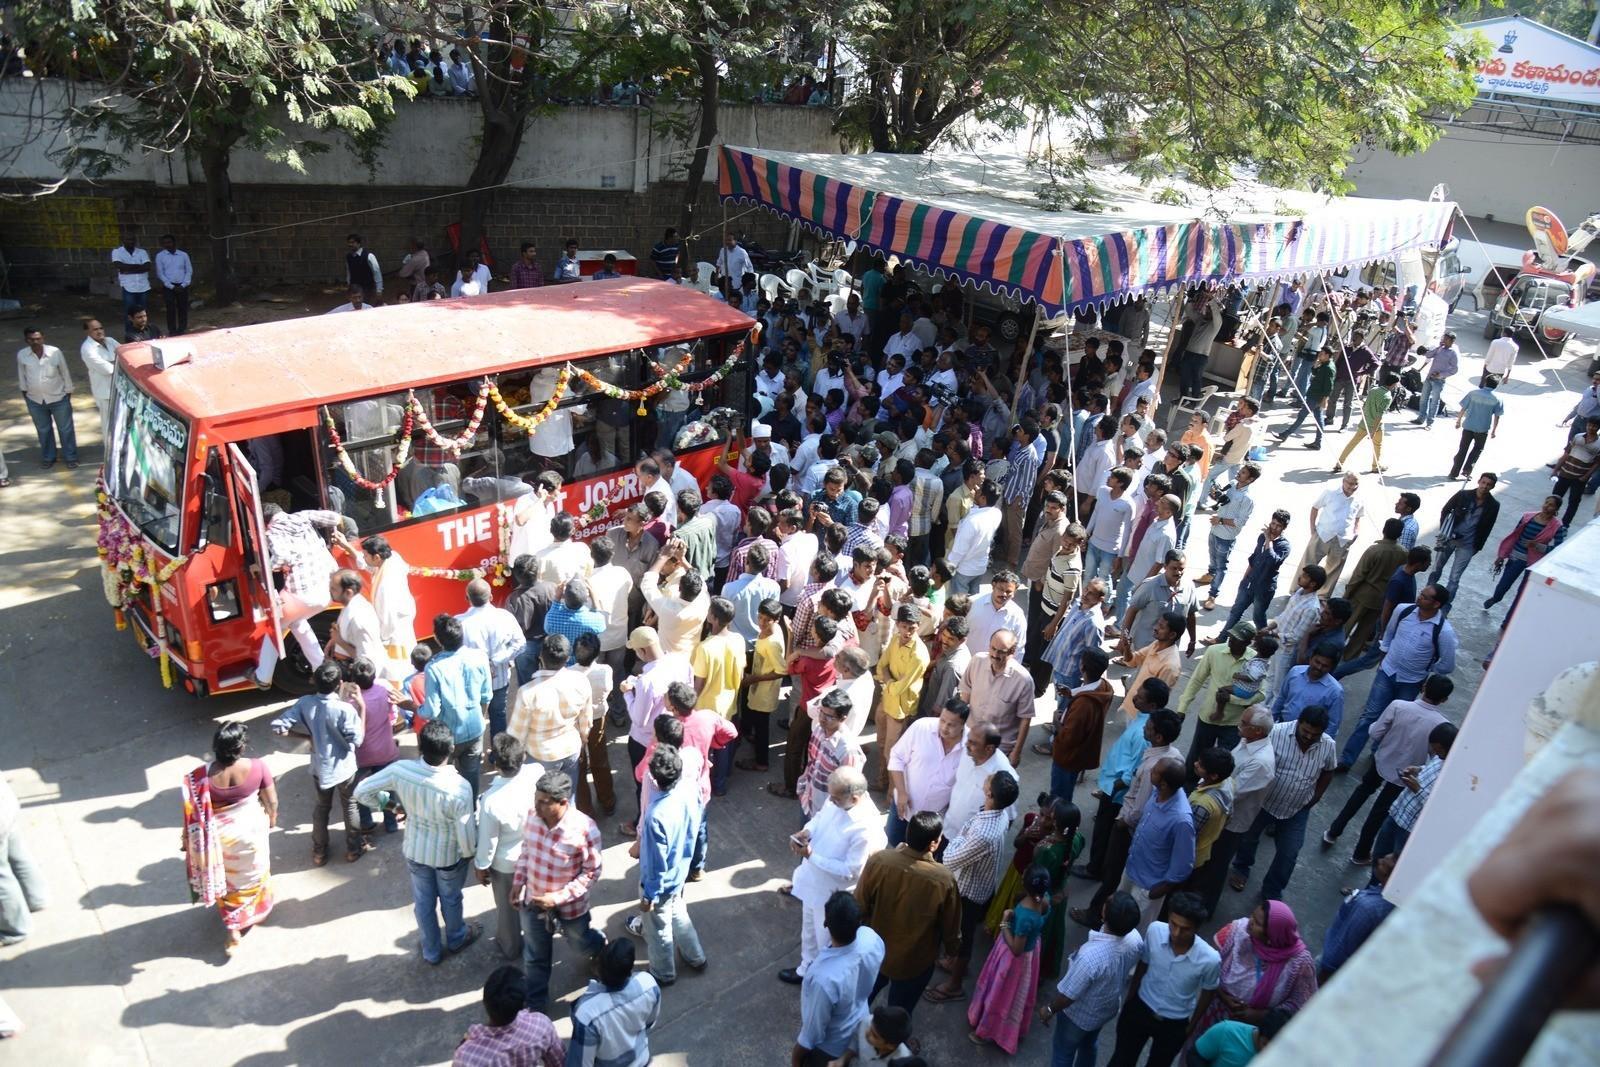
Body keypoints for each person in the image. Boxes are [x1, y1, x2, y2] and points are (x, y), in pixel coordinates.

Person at [353, 720, 480, 964]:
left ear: (420, 747)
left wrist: (392, 805)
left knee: (423, 902)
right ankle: (456, 938)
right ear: (451, 748)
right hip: (448, 858)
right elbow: (465, 835)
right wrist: (470, 854)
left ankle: (431, 951)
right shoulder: (459, 787)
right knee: (451, 899)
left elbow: (361, 792)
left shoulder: (400, 770)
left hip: (415, 850)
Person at [1324, 672, 1451, 862]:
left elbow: (1375, 733)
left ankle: (1334, 831)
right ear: (1444, 699)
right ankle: (1360, 853)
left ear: (1423, 687)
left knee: (1360, 794)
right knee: (1379, 813)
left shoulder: (1398, 706)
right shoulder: (1442, 724)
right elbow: (1434, 757)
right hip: (1405, 775)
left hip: (1382, 760)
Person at [511, 770, 606, 1013]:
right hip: (533, 902)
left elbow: (591, 872)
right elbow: (526, 852)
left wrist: (557, 897)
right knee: (535, 957)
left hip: (570, 907)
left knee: (580, 944)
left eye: (544, 802)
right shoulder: (532, 817)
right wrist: (519, 882)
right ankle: (535, 1008)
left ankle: (600, 948)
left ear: (563, 802)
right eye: (536, 799)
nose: (537, 806)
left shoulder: (585, 829)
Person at [782, 766, 885, 984]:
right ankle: (805, 968)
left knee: (825, 942)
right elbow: (820, 818)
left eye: (835, 798)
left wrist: (811, 855)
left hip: (831, 894)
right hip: (813, 881)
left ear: (855, 798)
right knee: (808, 932)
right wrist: (807, 831)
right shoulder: (838, 799)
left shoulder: (865, 828)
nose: (831, 800)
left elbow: (851, 871)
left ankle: (822, 981)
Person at [1337, 584, 1457, 771]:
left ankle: (1377, 756)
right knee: (1369, 716)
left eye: (1425, 597)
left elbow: (1447, 664)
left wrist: (1425, 669)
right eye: (1421, 594)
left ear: (1436, 604)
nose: (1419, 598)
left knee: (1395, 721)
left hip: (1411, 682)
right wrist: (1385, 656)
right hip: (1387, 672)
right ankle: (1347, 759)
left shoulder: (1444, 632)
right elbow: (1389, 634)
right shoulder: (1403, 610)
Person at [926, 770, 1022, 1003]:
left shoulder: (983, 834)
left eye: (989, 780)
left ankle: (954, 985)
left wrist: (956, 839)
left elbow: (949, 858)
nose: (986, 778)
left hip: (968, 891)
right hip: (976, 883)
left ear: (989, 793)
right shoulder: (997, 814)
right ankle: (952, 961)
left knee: (963, 937)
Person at [181, 723, 276, 953]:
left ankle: (233, 927)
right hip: (252, 832)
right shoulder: (258, 767)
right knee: (254, 874)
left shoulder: (199, 778)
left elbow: (192, 814)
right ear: (241, 746)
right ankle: (254, 913)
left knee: (229, 883)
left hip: (220, 841)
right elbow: (272, 801)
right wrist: (272, 819)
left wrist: (186, 839)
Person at [1228, 710, 1336, 901]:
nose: (1309, 737)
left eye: (1315, 734)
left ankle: (1271, 891)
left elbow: (1328, 771)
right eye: (1305, 731)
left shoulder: (1328, 745)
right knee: (1249, 837)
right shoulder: (1276, 733)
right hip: (1265, 802)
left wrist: (1316, 797)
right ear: (1298, 723)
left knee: (1289, 853)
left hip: (1297, 809)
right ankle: (1241, 868)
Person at [1108, 892, 1221, 1067]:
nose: (1176, 933)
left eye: (1185, 929)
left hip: (1174, 1024)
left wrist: (1190, 1028)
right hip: (1141, 1007)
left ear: (1196, 928)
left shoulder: (1210, 959)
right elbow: (1143, 965)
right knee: (1121, 1060)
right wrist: (1130, 1000)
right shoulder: (1155, 930)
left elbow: (1208, 992)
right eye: (1173, 924)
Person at [270, 663, 365, 865]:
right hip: (344, 768)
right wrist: (362, 708)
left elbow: (278, 727)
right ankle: (353, 849)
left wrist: (307, 736)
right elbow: (357, 739)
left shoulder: (305, 703)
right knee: (350, 805)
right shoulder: (345, 709)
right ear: (339, 684)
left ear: (314, 681)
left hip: (320, 768)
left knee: (322, 807)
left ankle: (319, 852)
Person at [1037, 891, 1143, 1067]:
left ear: (1104, 913)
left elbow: (1068, 996)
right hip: (1106, 1009)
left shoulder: (1089, 958)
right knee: (1089, 1045)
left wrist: (1049, 1009)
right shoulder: (1135, 939)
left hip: (1078, 1017)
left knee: (1063, 1053)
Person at [1186, 902, 1315, 1041]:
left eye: (1258, 923)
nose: (1250, 922)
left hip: (1253, 1034)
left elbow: (1303, 1004)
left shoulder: (1299, 963)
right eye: (1252, 915)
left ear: (1272, 934)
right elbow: (1207, 966)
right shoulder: (1235, 931)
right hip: (1212, 1013)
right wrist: (1222, 995)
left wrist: (1261, 1015)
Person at [632, 745, 707, 984]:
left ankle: (663, 973)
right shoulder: (690, 789)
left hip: (661, 883)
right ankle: (695, 957)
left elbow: (655, 864)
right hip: (680, 871)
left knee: (658, 930)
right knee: (678, 913)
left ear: (654, 778)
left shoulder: (656, 815)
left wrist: (648, 897)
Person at [472, 733, 543, 963]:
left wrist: (481, 866)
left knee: (507, 910)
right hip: (537, 854)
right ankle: (540, 940)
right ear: (522, 756)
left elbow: (488, 842)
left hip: (507, 866)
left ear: (495, 762)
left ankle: (511, 947)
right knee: (537, 902)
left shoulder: (490, 801)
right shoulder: (536, 773)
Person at [793, 892, 886, 1067]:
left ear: (825, 923)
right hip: (860, 1022)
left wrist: (796, 1058)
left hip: (830, 1048)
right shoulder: (872, 938)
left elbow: (812, 1033)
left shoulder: (823, 979)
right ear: (859, 922)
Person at [967, 863, 1052, 1052]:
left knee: (1001, 993)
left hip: (1013, 961)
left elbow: (1016, 949)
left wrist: (1005, 923)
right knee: (1016, 995)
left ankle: (986, 1031)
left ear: (1025, 883)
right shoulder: (1045, 899)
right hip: (1032, 952)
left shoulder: (1025, 917)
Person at [1118, 757, 1196, 929]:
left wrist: (1158, 891)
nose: (1151, 770)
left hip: (1148, 887)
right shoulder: (1157, 793)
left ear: (1164, 784)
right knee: (1118, 918)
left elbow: (1184, 865)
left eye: (1155, 771)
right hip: (1132, 870)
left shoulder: (1181, 820)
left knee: (1136, 932)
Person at [422, 613, 493, 800]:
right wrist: (481, 717)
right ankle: (471, 813)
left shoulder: (433, 668)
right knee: (470, 778)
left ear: (437, 639)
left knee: (445, 780)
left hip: (448, 736)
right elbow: (486, 695)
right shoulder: (479, 657)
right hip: (475, 729)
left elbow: (431, 711)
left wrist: (414, 707)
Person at [508, 635, 592, 788]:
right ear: (567, 658)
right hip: (571, 749)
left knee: (541, 801)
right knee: (567, 797)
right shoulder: (581, 681)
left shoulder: (527, 693)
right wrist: (583, 741)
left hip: (540, 755)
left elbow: (516, 735)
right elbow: (586, 722)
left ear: (540, 657)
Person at [568, 939, 662, 1067]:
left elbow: (580, 1063)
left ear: (599, 969)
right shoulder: (648, 984)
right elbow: (649, 1022)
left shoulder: (587, 1013)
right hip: (642, 1060)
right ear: (630, 967)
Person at [872, 604, 930, 789]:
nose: (907, 632)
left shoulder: (919, 655)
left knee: (894, 753)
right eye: (904, 627)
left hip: (900, 709)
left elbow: (899, 688)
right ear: (898, 625)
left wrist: (888, 679)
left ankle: (893, 793)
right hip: (886, 701)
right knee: (881, 744)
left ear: (918, 626)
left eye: (912, 628)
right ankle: (882, 781)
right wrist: (889, 679)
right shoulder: (895, 639)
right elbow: (881, 666)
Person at [1317, 854, 1398, 983]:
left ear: (1391, 877)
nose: (1379, 861)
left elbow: (1343, 946)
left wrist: (1325, 970)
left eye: (1384, 864)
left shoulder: (1367, 908)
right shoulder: (1390, 899)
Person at [1050, 647, 1114, 800]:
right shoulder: (1105, 687)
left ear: (1082, 667)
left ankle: (1057, 821)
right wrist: (1072, 693)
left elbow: (1068, 738)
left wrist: (1056, 722)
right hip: (1081, 754)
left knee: (1060, 796)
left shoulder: (1083, 705)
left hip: (1067, 758)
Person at [1483, 494, 1564, 611]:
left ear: (1556, 509)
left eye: (1551, 505)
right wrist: (1502, 556)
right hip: (1516, 557)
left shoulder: (1557, 526)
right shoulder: (1527, 517)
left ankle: (1508, 621)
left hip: (1534, 564)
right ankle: (1496, 598)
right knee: (1503, 585)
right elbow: (1513, 537)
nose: (1547, 507)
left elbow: (1559, 548)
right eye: (1546, 503)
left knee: (1523, 592)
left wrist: (1538, 546)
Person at [1429, 474, 1500, 598]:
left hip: (1468, 544)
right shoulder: (1463, 495)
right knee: (1436, 568)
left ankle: (1445, 605)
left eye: (1488, 484)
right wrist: (1444, 530)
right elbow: (1445, 510)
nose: (1484, 486)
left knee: (1455, 577)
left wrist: (1478, 547)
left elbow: (1488, 526)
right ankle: (1428, 593)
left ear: (1492, 487)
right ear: (1479, 481)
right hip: (1449, 538)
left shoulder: (1493, 505)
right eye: (1483, 482)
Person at [17, 327, 78, 469]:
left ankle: (71, 457)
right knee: (43, 430)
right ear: (27, 340)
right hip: (35, 400)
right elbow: (22, 377)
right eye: (32, 339)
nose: (35, 342)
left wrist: (68, 392)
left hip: (59, 398)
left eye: (38, 339)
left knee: (66, 430)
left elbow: (65, 372)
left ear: (43, 338)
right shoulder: (22, 355)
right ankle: (49, 457)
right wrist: (25, 395)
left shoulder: (55, 352)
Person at [1202, 463, 1260, 612]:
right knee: (1212, 557)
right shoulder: (1233, 484)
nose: (1239, 473)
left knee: (1221, 566)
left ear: (1250, 479)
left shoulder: (1248, 499)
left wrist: (1220, 520)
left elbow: (1240, 522)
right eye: (1241, 470)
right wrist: (1215, 493)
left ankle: (1212, 595)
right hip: (1215, 529)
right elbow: (1220, 498)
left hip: (1226, 536)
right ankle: (1210, 575)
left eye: (1244, 473)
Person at [1221, 511, 1291, 633]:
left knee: (1258, 617)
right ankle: (1221, 638)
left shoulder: (1284, 546)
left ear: (1284, 528)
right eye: (1273, 523)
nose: (1274, 528)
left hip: (1264, 588)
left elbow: (1272, 561)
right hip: (1249, 583)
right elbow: (1254, 559)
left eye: (1278, 526)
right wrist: (1244, 579)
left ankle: (1263, 638)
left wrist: (1269, 541)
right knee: (1236, 611)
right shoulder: (1261, 537)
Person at [1301, 472, 1364, 591]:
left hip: (1342, 540)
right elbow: (1315, 508)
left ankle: (1322, 595)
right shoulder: (1330, 493)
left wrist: (1355, 533)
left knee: (1333, 571)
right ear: (1343, 482)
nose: (1352, 487)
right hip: (1322, 535)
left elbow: (1358, 518)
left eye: (1355, 484)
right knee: (1308, 565)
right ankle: (1298, 589)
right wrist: (1312, 529)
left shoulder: (1358, 500)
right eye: (1350, 483)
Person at [1271, 645, 1345, 735]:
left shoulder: (1335, 691)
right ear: (1311, 658)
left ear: (1331, 668)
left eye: (1325, 666)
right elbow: (1282, 698)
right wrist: (1271, 722)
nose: (1319, 667)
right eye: (1317, 662)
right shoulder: (1295, 672)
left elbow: (1333, 724)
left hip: (1307, 737)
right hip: (1282, 727)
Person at [1335, 370, 1396, 474]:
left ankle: (1339, 463)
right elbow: (1379, 415)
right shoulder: (1387, 396)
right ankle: (1375, 466)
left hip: (1364, 422)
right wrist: (1373, 430)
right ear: (1393, 384)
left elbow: (1365, 406)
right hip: (1376, 426)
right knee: (1377, 445)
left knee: (1353, 443)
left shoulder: (1373, 390)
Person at [1188, 1007, 1293, 1066]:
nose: (1268, 1053)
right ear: (1260, 1031)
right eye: (1265, 1044)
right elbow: (1195, 1055)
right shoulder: (1226, 1031)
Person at [1451, 374, 1503, 480]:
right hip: (1482, 429)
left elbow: (1463, 409)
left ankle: (1453, 473)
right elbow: (1497, 417)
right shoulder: (1497, 399)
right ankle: (1467, 471)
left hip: (1468, 426)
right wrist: (1494, 431)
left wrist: (1458, 421)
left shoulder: (1473, 393)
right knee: (1477, 449)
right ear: (1496, 386)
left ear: (1485, 382)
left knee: (1462, 449)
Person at [77, 318, 117, 436]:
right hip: (105, 393)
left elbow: (126, 355)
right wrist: (120, 364)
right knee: (109, 426)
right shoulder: (87, 348)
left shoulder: (110, 341)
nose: (99, 331)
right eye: (95, 329)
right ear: (87, 332)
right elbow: (107, 369)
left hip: (120, 389)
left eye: (101, 328)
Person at [1413, 331, 1458, 429]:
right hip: (1429, 378)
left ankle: (1430, 423)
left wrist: (1441, 375)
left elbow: (1454, 369)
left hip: (1439, 381)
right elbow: (1429, 355)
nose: (1444, 340)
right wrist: (1437, 348)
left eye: (1446, 339)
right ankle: (1421, 418)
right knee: (1423, 399)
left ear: (1452, 341)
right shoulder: (1439, 349)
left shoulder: (1453, 354)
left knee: (1434, 401)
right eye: (1444, 338)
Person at [112, 234, 153, 330]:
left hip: (143, 287)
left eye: (132, 239)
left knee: (143, 313)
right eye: (128, 239)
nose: (131, 241)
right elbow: (119, 265)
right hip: (128, 287)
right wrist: (139, 267)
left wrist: (127, 269)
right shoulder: (117, 252)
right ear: (123, 240)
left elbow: (147, 267)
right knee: (130, 313)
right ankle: (131, 335)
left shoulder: (142, 252)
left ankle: (143, 334)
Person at [153, 234, 192, 335]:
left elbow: (189, 271)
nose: (167, 245)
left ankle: (182, 329)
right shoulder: (160, 256)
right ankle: (172, 330)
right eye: (165, 243)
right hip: (168, 286)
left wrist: (183, 285)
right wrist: (171, 286)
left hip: (183, 286)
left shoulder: (183, 255)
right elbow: (160, 273)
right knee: (170, 308)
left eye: (169, 242)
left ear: (174, 243)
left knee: (182, 307)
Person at [344, 233, 382, 304]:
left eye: (352, 242)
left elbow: (377, 273)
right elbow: (349, 272)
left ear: (358, 243)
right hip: (354, 289)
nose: (350, 244)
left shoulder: (369, 256)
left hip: (368, 289)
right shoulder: (348, 257)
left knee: (367, 308)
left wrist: (379, 289)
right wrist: (349, 285)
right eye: (349, 242)